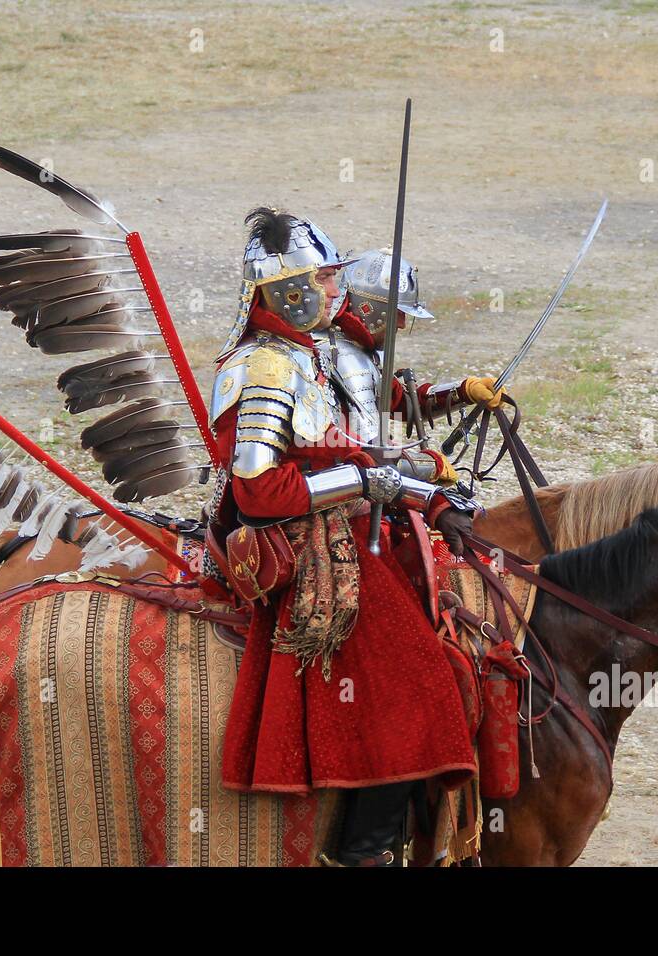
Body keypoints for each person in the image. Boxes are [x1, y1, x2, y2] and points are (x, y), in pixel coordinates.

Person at [210, 209, 500, 866]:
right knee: (414, 676)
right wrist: (377, 486)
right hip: (299, 540)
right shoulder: (267, 367)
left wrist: (418, 490)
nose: (331, 293)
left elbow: (348, 450)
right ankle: (361, 850)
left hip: (331, 516)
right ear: (286, 289)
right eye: (320, 280)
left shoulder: (300, 354)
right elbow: (259, 490)